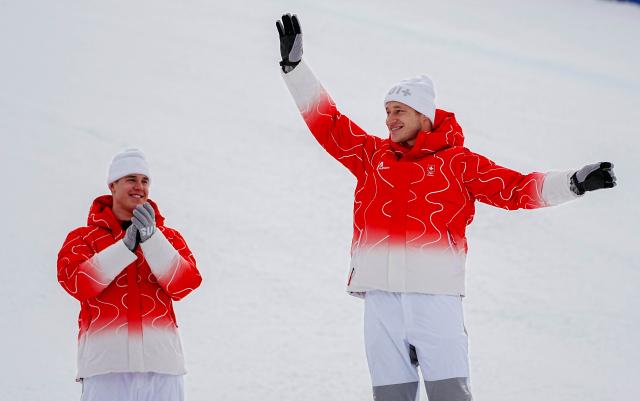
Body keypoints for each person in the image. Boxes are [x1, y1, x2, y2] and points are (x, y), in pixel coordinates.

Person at [275, 14, 616, 401]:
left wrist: (573, 183)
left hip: (434, 297)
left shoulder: (458, 163)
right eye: (387, 111)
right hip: (381, 300)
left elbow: (515, 188)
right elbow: (329, 124)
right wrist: (295, 69)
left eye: (399, 111)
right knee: (389, 395)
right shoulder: (372, 157)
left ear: (424, 116)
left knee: (450, 394)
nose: (389, 119)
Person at [57, 149, 202, 401]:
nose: (140, 186)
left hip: (162, 366)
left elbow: (185, 284)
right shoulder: (82, 238)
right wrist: (123, 249)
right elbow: (77, 284)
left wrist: (152, 240)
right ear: (112, 185)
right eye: (131, 179)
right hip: (106, 367)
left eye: (145, 181)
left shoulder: (168, 237)